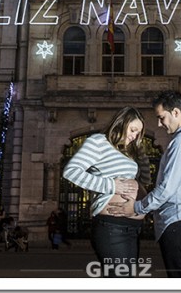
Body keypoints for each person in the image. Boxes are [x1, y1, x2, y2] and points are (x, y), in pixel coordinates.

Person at [112, 90, 181, 278]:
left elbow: (167, 188)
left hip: (179, 221)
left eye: (161, 117)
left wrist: (137, 207)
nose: (159, 124)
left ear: (175, 113)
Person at [62, 106, 145, 276]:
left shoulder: (126, 150)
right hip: (112, 227)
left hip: (131, 227)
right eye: (133, 130)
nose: (134, 136)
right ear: (121, 123)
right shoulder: (98, 141)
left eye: (138, 133)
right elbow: (71, 171)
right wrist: (112, 186)